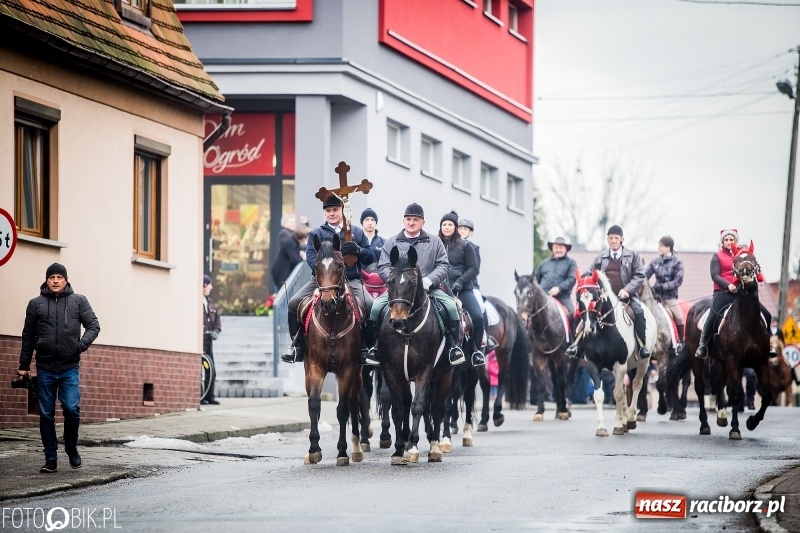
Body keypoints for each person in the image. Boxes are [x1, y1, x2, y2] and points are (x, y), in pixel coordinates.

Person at [17, 263, 100, 474]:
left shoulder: (78, 301)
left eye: (59, 277)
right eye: (52, 277)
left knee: (72, 409)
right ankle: (51, 458)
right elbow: (28, 336)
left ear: (65, 280)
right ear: (46, 280)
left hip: (69, 367)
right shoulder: (35, 304)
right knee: (46, 415)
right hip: (44, 367)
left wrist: (79, 346)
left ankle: (71, 447)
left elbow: (93, 326)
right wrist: (24, 366)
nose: (55, 280)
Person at [362, 202, 466, 366]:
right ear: (403, 221)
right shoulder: (392, 242)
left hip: (429, 290)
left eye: (415, 220)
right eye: (408, 219)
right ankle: (373, 348)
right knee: (375, 308)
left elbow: (444, 265)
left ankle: (454, 348)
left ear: (422, 222)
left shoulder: (434, 241)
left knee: (452, 307)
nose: (411, 223)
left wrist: (429, 280)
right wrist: (394, 281)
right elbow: (382, 266)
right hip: (398, 292)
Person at [281, 195, 376, 364]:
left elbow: (370, 257)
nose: (331, 213)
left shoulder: (356, 232)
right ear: (324, 213)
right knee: (293, 303)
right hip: (322, 281)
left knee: (370, 306)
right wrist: (322, 271)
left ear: (342, 210)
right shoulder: (316, 233)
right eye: (328, 211)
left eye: (335, 210)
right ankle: (297, 346)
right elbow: (310, 256)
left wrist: (359, 250)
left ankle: (367, 349)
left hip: (351, 280)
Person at [566, 225, 651, 360]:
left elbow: (640, 275)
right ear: (607, 240)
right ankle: (578, 346)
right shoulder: (601, 257)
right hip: (605, 299)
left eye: (616, 238)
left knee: (639, 312)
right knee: (586, 313)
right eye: (611, 238)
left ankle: (642, 346)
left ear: (622, 239)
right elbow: (590, 272)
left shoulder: (633, 255)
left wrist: (627, 290)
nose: (613, 241)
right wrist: (584, 281)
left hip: (626, 297)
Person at [695, 229, 775, 359]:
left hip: (741, 293)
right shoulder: (717, 256)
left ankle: (768, 343)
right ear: (722, 242)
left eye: (731, 240)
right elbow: (714, 275)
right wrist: (728, 285)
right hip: (722, 292)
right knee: (713, 314)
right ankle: (703, 345)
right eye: (726, 240)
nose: (728, 242)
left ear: (736, 241)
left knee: (766, 313)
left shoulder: (742, 254)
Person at [440, 211, 485, 366]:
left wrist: (460, 282)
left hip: (462, 290)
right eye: (444, 224)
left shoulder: (466, 246)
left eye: (450, 224)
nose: (446, 227)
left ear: (456, 227)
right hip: (440, 290)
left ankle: (476, 351)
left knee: (478, 317)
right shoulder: (435, 244)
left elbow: (474, 268)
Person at [645, 236, 685, 348]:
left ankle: (680, 343)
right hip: (655, 296)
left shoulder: (677, 263)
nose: (659, 248)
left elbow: (678, 281)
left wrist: (662, 287)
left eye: (661, 246)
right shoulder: (655, 261)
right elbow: (645, 275)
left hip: (670, 298)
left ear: (668, 247)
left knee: (679, 317)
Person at [535, 236, 578, 316]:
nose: (558, 250)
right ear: (552, 249)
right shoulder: (543, 263)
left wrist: (559, 288)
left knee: (573, 314)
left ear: (565, 249)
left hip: (562, 297)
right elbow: (536, 279)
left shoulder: (571, 263)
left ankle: (574, 329)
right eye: (556, 247)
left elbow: (572, 279)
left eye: (561, 247)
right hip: (543, 295)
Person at [271, 225, 310, 291]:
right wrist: (303, 258)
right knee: (282, 295)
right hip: (281, 274)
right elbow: (295, 260)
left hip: (283, 274)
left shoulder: (293, 242)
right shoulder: (291, 243)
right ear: (304, 237)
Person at [202, 275, 222, 405]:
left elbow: (217, 320)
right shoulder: (195, 301)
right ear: (203, 285)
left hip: (208, 342)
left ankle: (210, 396)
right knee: (199, 370)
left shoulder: (209, 302)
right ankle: (201, 397)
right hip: (199, 342)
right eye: (209, 284)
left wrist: (215, 331)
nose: (211, 287)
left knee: (210, 370)